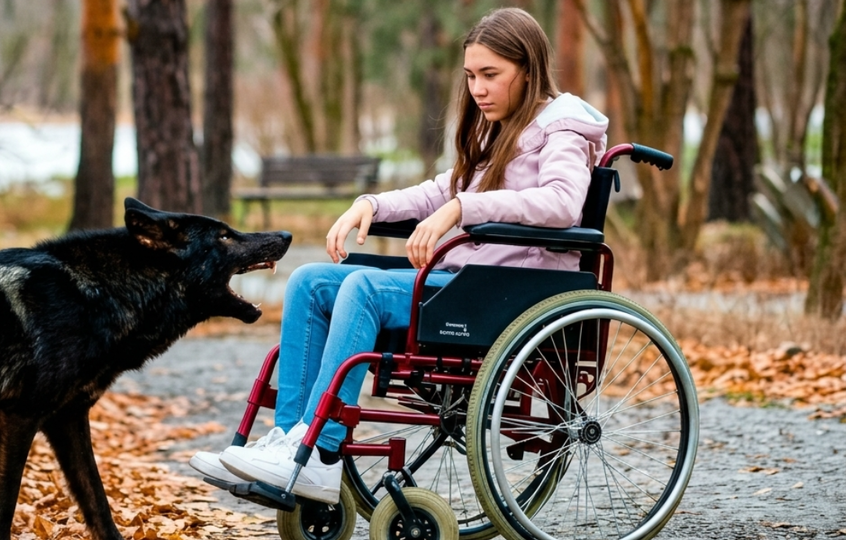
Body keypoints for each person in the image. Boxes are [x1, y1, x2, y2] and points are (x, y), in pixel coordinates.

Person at [189, 6, 609, 505]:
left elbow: (562, 203)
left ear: (529, 68)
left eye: (491, 75)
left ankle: (319, 454)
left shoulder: (560, 127)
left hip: (510, 291)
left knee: (362, 288)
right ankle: (290, 444)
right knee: (309, 280)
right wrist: (369, 204)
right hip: (469, 280)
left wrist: (461, 209)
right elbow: (440, 190)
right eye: (471, 75)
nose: (477, 88)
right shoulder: (494, 127)